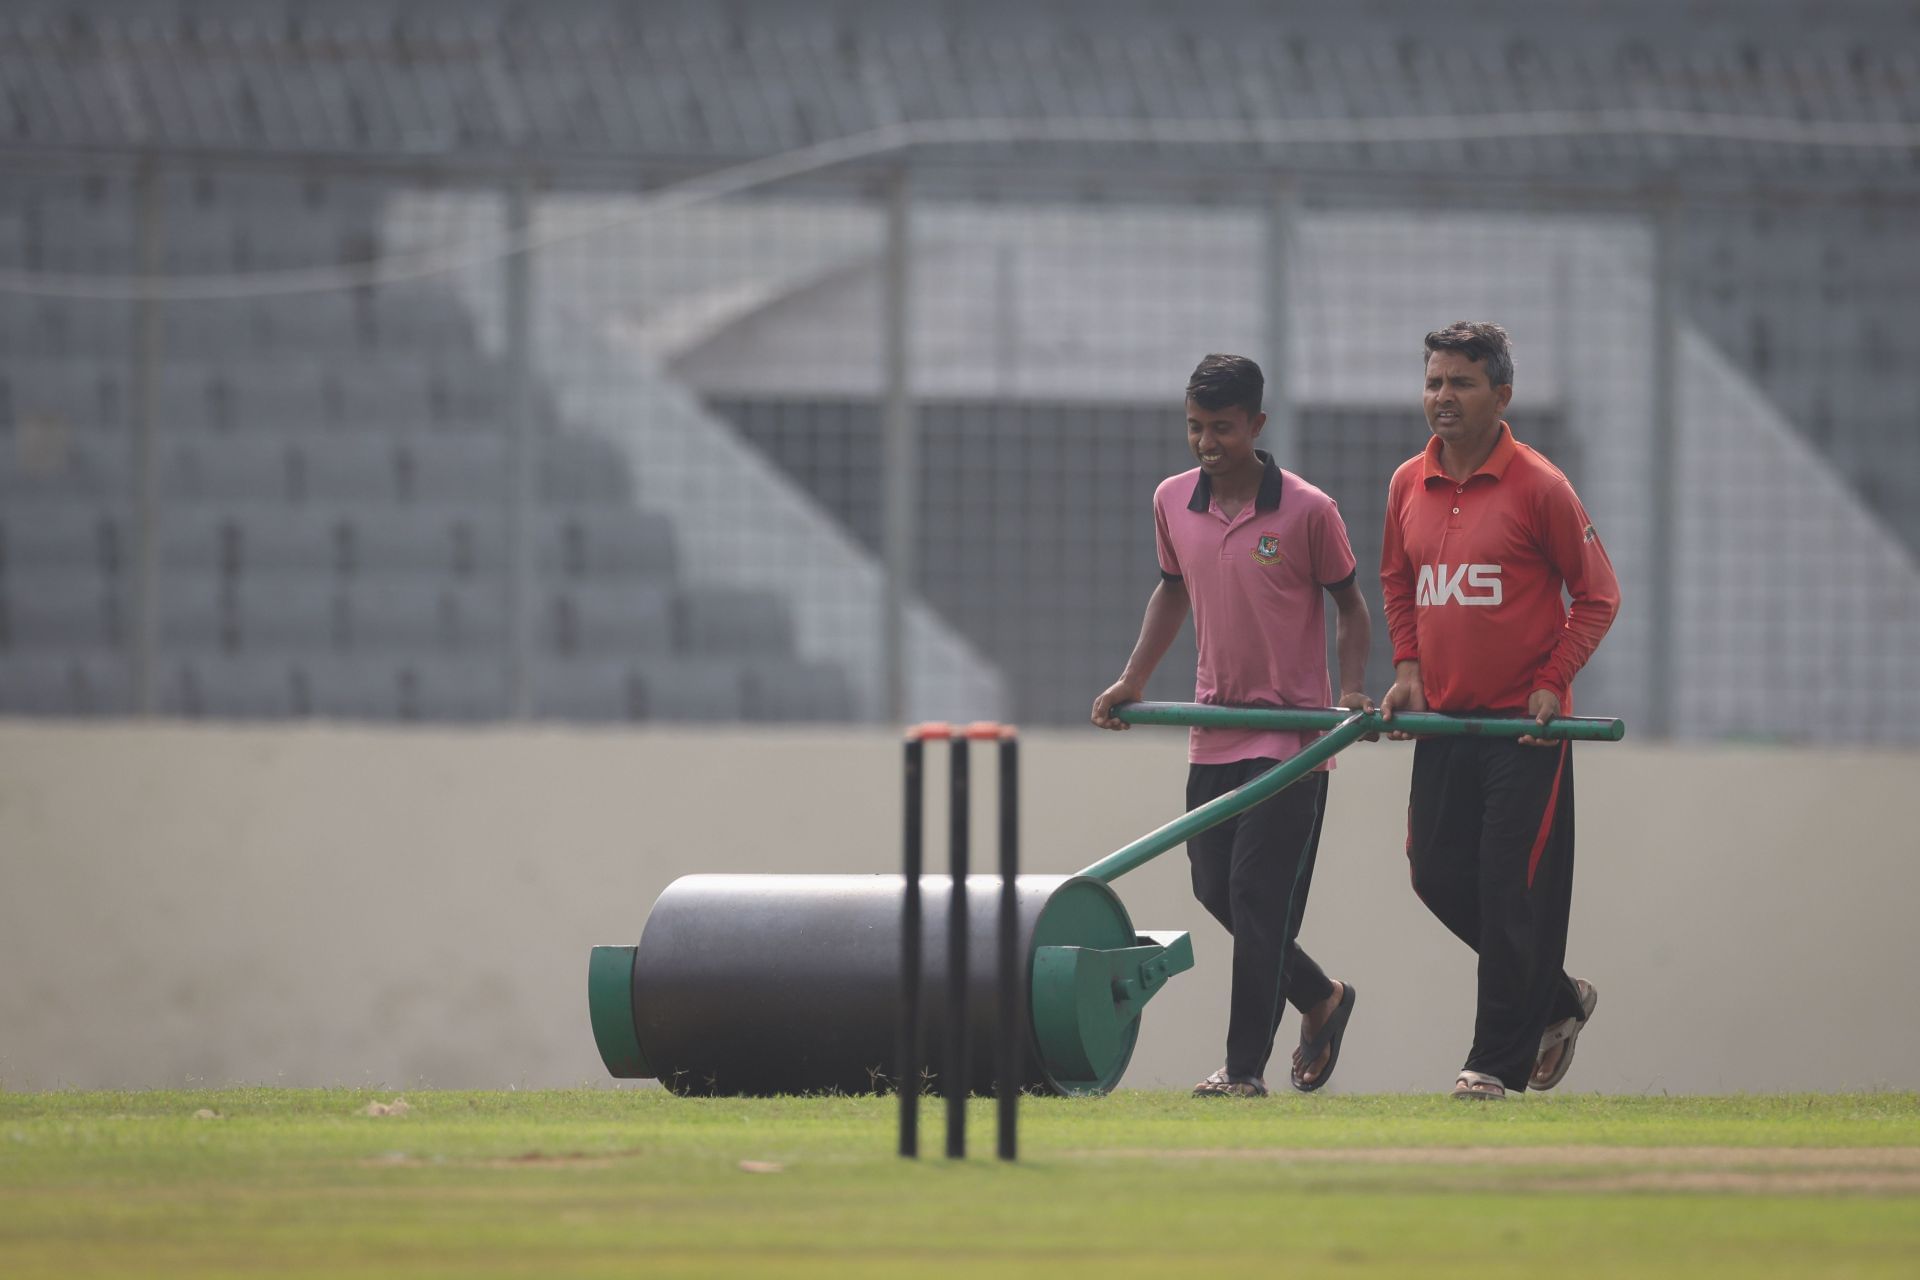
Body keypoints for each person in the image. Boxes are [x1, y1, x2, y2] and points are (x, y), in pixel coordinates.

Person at [1093, 353, 1372, 1098]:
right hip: (1214, 726)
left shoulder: (1308, 509)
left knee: (1256, 896)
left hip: (1292, 738)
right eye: (1195, 428)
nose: (1207, 443)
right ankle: (1320, 997)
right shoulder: (1172, 499)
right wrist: (1134, 680)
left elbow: (1350, 605)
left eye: (1222, 428)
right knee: (1215, 887)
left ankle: (1241, 1071)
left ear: (1257, 424)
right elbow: (1172, 591)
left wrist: (1350, 694)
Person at [1379, 321, 1621, 1100]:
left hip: (1524, 730)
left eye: (1461, 383)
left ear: (1502, 394)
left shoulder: (1541, 486)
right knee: (1435, 877)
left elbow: (1598, 595)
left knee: (1506, 890)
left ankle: (1491, 1064)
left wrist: (1554, 678)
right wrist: (1408, 668)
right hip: (1443, 724)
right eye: (1434, 382)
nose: (1442, 398)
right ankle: (1556, 997)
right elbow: (1397, 581)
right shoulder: (1405, 484)